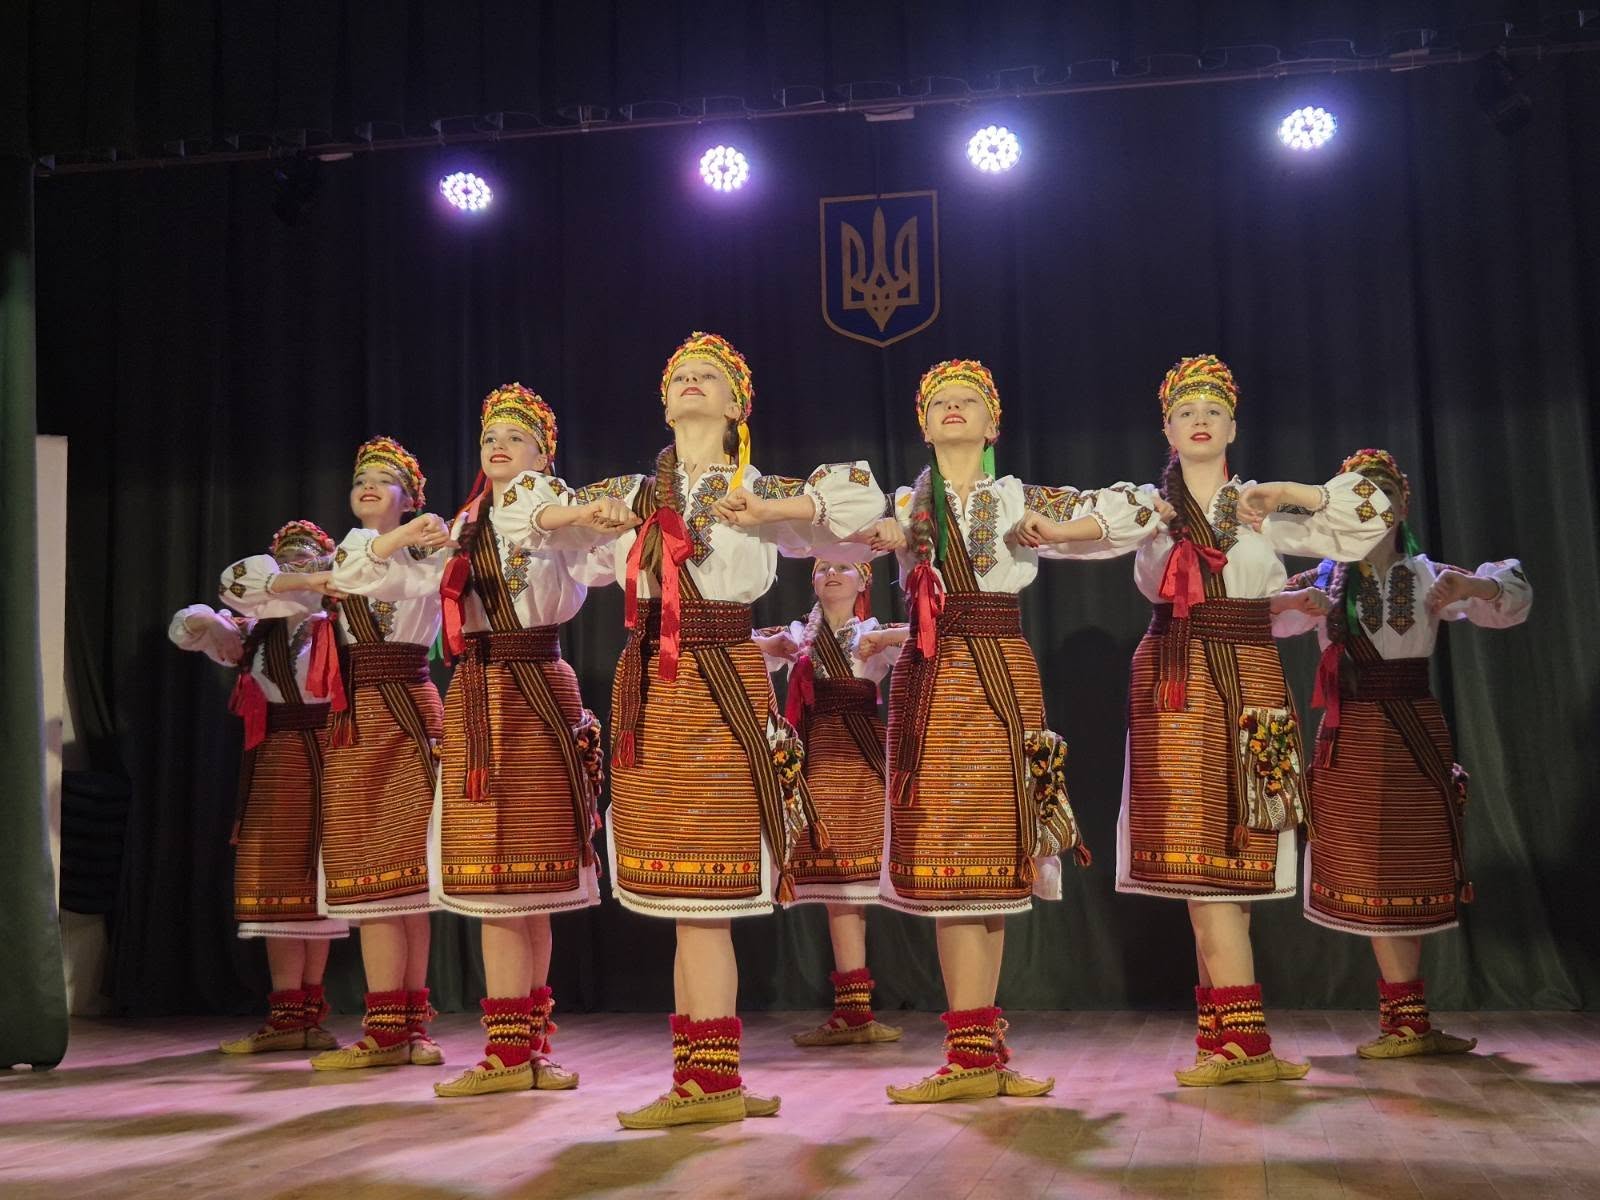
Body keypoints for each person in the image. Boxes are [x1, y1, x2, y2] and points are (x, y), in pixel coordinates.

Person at [562, 332, 886, 1128]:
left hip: (721, 682)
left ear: (737, 404)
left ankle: (709, 1083)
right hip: (651, 687)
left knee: (707, 894)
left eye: (709, 376)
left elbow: (860, 501)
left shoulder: (754, 486)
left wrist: (775, 510)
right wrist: (587, 515)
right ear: (663, 401)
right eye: (681, 375)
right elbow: (554, 542)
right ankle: (705, 1076)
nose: (692, 383)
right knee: (680, 896)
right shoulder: (637, 491)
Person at [865, 359, 1166, 1104]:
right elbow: (823, 532)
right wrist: (879, 535)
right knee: (948, 863)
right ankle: (970, 1052)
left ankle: (979, 1054)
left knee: (997, 860)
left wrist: (1060, 528)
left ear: (993, 423)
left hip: (1000, 673)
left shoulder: (1015, 500)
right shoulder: (905, 503)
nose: (954, 408)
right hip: (931, 679)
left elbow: (1142, 506)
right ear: (923, 424)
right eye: (940, 401)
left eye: (968, 401)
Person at [1115, 356, 1393, 1086]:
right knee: (1193, 852)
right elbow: (1068, 532)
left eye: (1214, 410)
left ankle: (1242, 1040)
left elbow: (1374, 513)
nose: (1200, 420)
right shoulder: (1145, 508)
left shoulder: (1259, 505)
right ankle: (1229, 1035)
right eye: (1185, 411)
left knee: (1241, 848)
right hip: (1174, 681)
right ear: (1167, 430)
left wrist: (1289, 494)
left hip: (1249, 676)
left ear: (1234, 428)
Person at [1277, 447, 1529, 1058]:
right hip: (1353, 734)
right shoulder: (1325, 578)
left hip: (1413, 730)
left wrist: (1472, 585)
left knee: (1411, 866)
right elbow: (1260, 615)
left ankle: (1408, 1023)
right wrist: (1291, 603)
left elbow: (1512, 597)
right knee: (1369, 869)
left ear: (1402, 507)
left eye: (1384, 495)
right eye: (1359, 496)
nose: (1372, 507)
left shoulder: (1427, 575)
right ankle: (1405, 1022)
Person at [171, 519, 348, 1054]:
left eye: (306, 560)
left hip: (330, 752)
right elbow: (186, 630)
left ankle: (308, 1015)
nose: (296, 568)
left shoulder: (338, 622)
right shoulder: (256, 631)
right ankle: (287, 1016)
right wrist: (209, 617)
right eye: (286, 561)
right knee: (275, 880)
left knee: (318, 883)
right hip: (273, 756)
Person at [754, 559, 908, 1048]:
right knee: (837, 886)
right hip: (815, 757)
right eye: (823, 568)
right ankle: (853, 1012)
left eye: (844, 567)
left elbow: (930, 638)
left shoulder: (871, 632)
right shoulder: (798, 634)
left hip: (860, 759)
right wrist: (773, 646)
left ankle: (859, 1012)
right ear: (812, 581)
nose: (833, 575)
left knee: (859, 879)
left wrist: (884, 639)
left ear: (865, 580)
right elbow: (737, 646)